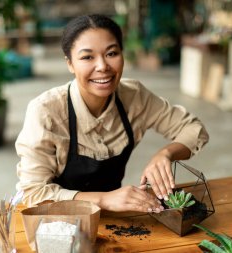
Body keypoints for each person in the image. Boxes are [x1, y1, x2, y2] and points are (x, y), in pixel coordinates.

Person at [15, 14, 209, 213]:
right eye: (87, 57)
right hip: (59, 224)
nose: (102, 67)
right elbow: (34, 194)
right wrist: (104, 199)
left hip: (115, 219)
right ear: (70, 64)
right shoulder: (46, 111)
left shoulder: (134, 96)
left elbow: (194, 128)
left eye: (111, 53)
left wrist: (166, 154)